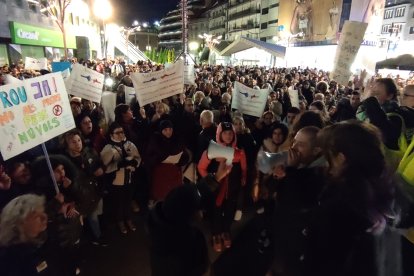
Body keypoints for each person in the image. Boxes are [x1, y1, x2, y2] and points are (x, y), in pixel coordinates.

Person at [303, 121, 397, 276]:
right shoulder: (382, 194)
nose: (325, 164)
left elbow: (318, 264)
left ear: (340, 158)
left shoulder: (336, 211)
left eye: (328, 156)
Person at [198, 122, 247, 252]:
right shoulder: (211, 151)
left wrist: (243, 177)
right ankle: (216, 234)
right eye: (225, 133)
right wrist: (210, 181)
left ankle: (225, 230)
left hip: (233, 189)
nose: (228, 135)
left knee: (230, 210)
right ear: (220, 134)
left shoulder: (239, 151)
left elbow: (244, 168)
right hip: (216, 190)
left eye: (230, 133)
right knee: (215, 211)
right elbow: (201, 168)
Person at [147, 185, 209, 276]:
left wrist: (215, 179)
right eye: (198, 209)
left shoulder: (157, 225)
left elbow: (186, 196)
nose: (201, 214)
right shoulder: (193, 240)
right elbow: (201, 270)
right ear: (187, 215)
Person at [100, 122, 141, 234]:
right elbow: (104, 167)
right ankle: (120, 222)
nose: (120, 134)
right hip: (116, 182)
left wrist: (134, 163)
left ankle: (128, 219)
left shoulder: (129, 144)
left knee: (128, 201)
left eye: (122, 132)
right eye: (117, 133)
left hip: (129, 179)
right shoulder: (108, 148)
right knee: (118, 203)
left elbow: (138, 158)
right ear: (111, 135)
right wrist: (118, 165)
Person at [0, 194, 49, 276]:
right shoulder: (9, 261)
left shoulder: (39, 246)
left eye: (43, 212)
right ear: (19, 222)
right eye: (35, 214)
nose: (45, 217)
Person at [145, 120, 189, 202]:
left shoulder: (177, 140)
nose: (168, 132)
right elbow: (149, 156)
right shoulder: (155, 140)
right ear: (161, 130)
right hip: (160, 173)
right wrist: (159, 159)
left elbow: (185, 155)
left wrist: (180, 161)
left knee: (174, 196)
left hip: (174, 171)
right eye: (165, 130)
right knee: (162, 195)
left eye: (170, 129)